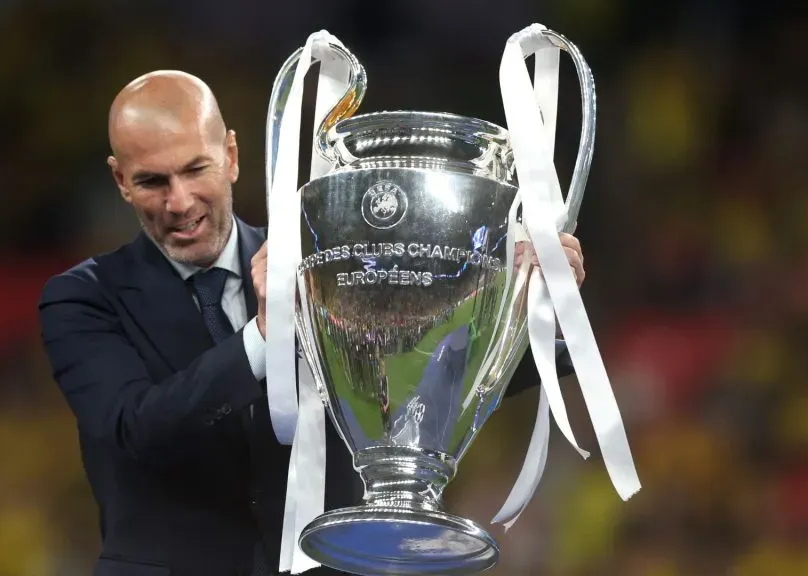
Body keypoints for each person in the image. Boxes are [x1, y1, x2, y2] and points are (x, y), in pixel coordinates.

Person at [38, 70, 586, 576]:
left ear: (230, 155)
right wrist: (264, 336)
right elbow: (137, 430)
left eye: (195, 169)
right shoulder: (82, 300)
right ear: (120, 181)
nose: (179, 201)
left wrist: (523, 304)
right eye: (153, 181)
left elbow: (410, 375)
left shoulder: (323, 261)